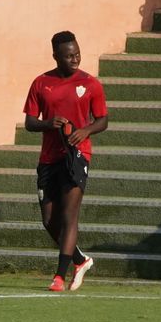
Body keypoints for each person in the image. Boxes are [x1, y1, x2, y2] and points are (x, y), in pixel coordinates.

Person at [23, 31, 108, 293]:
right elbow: (30, 122)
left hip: (77, 155)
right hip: (49, 157)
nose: (75, 59)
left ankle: (59, 276)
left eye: (77, 53)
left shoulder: (91, 84)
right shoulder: (41, 83)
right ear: (56, 57)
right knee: (49, 220)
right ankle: (81, 260)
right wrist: (48, 124)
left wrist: (86, 131)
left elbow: (103, 120)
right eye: (69, 55)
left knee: (70, 215)